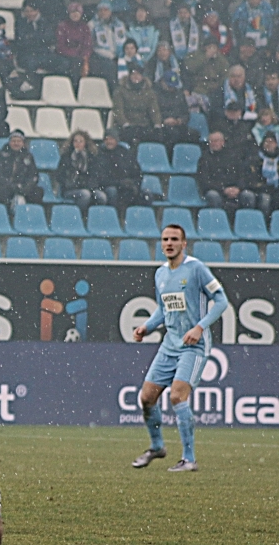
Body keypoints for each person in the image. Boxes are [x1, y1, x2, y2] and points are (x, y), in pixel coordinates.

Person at [130, 225, 229, 473]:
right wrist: (147, 327)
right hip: (169, 344)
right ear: (161, 244)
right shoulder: (160, 274)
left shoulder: (196, 269)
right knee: (146, 397)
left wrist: (200, 327)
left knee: (177, 396)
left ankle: (189, 459)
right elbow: (163, 310)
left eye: (175, 239)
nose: (169, 243)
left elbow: (222, 301)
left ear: (184, 244)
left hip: (193, 346)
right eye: (165, 239)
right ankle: (157, 447)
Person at [197, 130, 259, 214]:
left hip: (235, 189)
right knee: (213, 195)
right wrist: (223, 189)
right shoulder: (204, 159)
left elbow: (242, 175)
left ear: (222, 142)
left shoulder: (234, 156)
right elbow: (204, 180)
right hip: (217, 190)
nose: (214, 143)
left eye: (216, 141)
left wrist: (238, 188)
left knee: (248, 196)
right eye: (211, 141)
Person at [109, 63, 160, 144]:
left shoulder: (149, 92)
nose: (136, 76)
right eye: (133, 74)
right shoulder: (120, 91)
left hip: (143, 125)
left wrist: (157, 124)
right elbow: (118, 110)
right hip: (126, 125)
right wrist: (125, 124)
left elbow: (154, 110)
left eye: (138, 74)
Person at [89, 131, 140, 211]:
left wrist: (133, 183)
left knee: (143, 193)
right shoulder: (99, 154)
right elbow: (99, 178)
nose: (109, 141)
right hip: (107, 186)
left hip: (124, 184)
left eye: (111, 139)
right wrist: (119, 183)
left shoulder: (125, 153)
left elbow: (136, 171)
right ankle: (114, 215)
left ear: (117, 140)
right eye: (106, 139)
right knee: (112, 191)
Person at [0, 131, 42, 205]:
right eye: (13, 141)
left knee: (37, 192)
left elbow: (34, 175)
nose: (16, 143)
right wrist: (11, 185)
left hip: (23, 186)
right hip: (6, 186)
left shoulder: (28, 156)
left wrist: (25, 187)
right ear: (9, 142)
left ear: (23, 143)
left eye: (19, 141)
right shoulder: (1, 154)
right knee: (0, 192)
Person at [55, 130, 101, 212]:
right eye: (75, 141)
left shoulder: (90, 158)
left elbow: (94, 175)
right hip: (70, 189)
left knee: (101, 197)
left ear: (85, 143)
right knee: (85, 195)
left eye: (81, 141)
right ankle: (81, 215)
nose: (78, 143)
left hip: (87, 187)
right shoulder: (66, 157)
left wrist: (89, 185)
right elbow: (59, 175)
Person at [208, 64, 257, 140]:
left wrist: (242, 114)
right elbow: (213, 109)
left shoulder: (251, 90)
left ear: (244, 77)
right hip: (225, 124)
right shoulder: (220, 91)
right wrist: (227, 113)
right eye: (233, 76)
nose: (236, 79)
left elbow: (257, 109)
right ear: (229, 77)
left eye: (239, 76)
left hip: (247, 123)